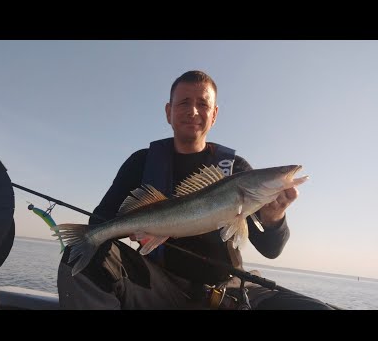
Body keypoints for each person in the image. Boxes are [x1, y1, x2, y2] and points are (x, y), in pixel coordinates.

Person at [57, 70, 334, 310]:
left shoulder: (236, 169)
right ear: (169, 111)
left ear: (214, 114)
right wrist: (134, 227)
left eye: (203, 104)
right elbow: (100, 223)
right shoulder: (141, 162)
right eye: (184, 103)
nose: (193, 111)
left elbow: (270, 250)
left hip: (229, 290)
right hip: (156, 285)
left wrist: (274, 219)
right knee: (80, 258)